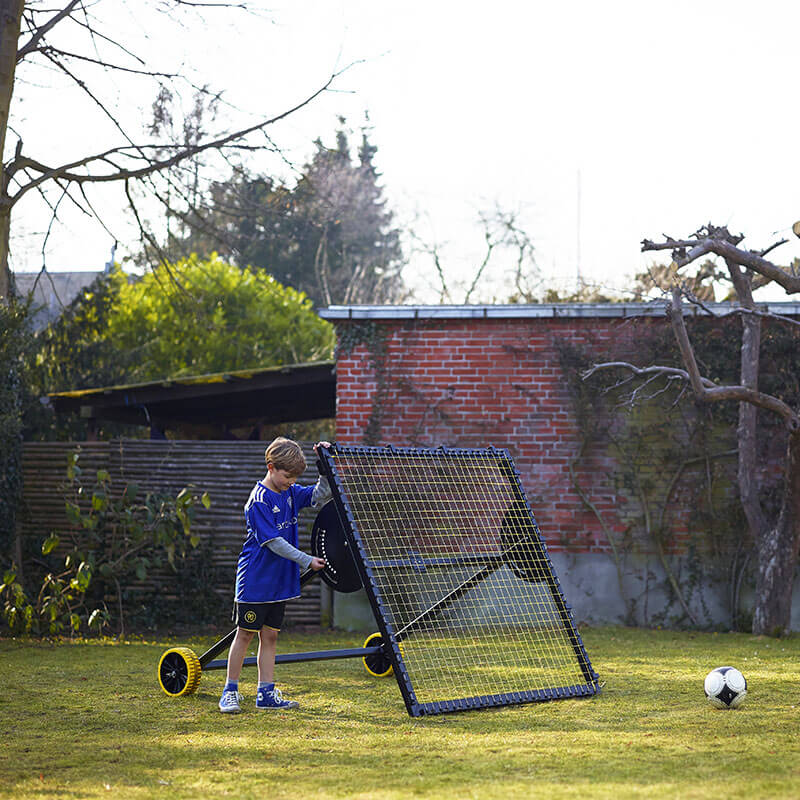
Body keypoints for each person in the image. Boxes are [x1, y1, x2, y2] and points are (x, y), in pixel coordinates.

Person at [219, 437, 330, 713]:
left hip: (279, 584)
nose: (291, 481)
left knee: (270, 637)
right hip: (255, 582)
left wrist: (324, 466)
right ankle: (229, 692)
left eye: (295, 477)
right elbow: (274, 543)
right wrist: (306, 560)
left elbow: (319, 494)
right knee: (244, 634)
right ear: (271, 467)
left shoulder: (290, 492)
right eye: (287, 475)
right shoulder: (258, 501)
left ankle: (265, 694)